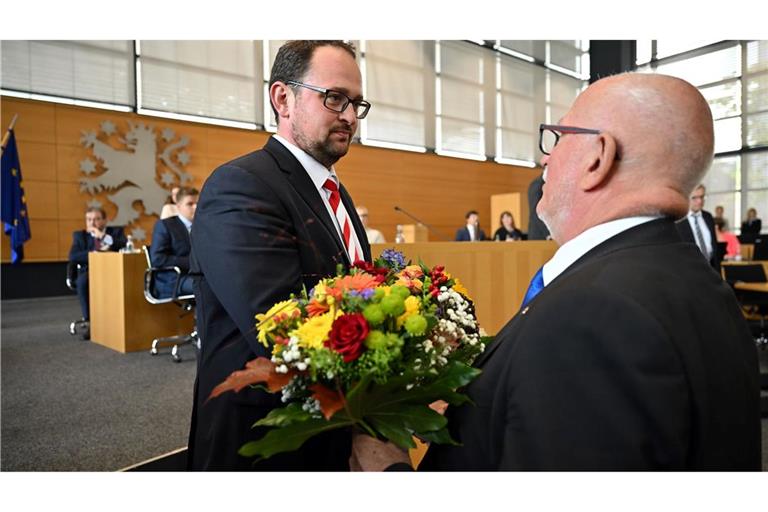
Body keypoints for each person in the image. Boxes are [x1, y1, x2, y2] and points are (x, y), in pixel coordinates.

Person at [350, 73, 760, 471]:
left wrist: (389, 476)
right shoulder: (700, 284)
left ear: (598, 157)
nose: (545, 157)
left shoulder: (592, 317)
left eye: (559, 137)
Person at [188, 40, 371, 470]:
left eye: (357, 104)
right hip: (264, 440)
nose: (348, 116)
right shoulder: (240, 185)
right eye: (335, 98)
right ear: (282, 98)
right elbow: (279, 325)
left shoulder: (333, 191)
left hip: (329, 427)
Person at [68, 207, 126, 338]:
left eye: (96, 219)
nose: (92, 223)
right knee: (83, 281)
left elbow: (123, 244)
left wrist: (102, 236)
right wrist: (96, 254)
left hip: (113, 270)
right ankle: (90, 322)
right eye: (89, 219)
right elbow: (73, 256)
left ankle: (120, 322)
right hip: (90, 271)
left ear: (105, 220)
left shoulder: (116, 232)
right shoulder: (80, 235)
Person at [150, 187, 198, 298]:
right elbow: (157, 259)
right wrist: (192, 263)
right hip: (175, 278)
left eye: (197, 203)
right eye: (190, 204)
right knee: (209, 287)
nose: (195, 207)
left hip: (198, 275)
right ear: (178, 206)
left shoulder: (203, 227)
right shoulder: (166, 226)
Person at [675, 184, 719, 269]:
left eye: (702, 197)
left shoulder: (708, 217)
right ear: (685, 198)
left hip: (711, 270)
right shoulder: (677, 220)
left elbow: (714, 248)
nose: (699, 201)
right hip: (689, 271)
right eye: (694, 198)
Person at [527, 170, 550, 240]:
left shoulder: (547, 184)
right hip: (539, 234)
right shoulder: (537, 185)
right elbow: (536, 212)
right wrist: (547, 233)